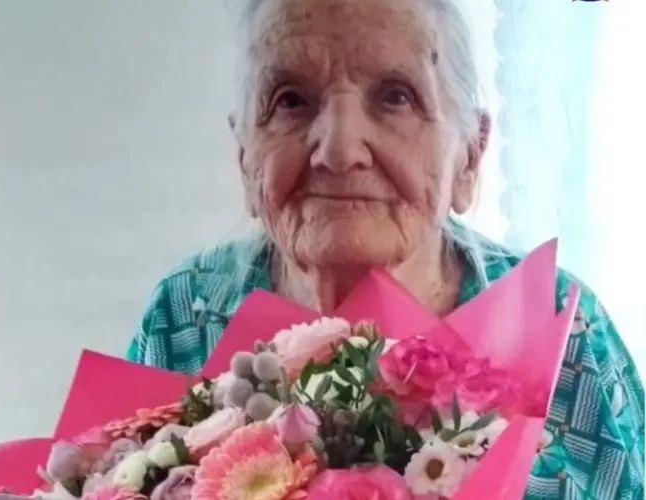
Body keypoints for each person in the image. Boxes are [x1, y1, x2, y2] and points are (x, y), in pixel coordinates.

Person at [127, 0, 644, 497]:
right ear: (245, 156)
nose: (339, 149)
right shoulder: (185, 313)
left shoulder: (565, 330)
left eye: (396, 96)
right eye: (290, 99)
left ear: (469, 156)